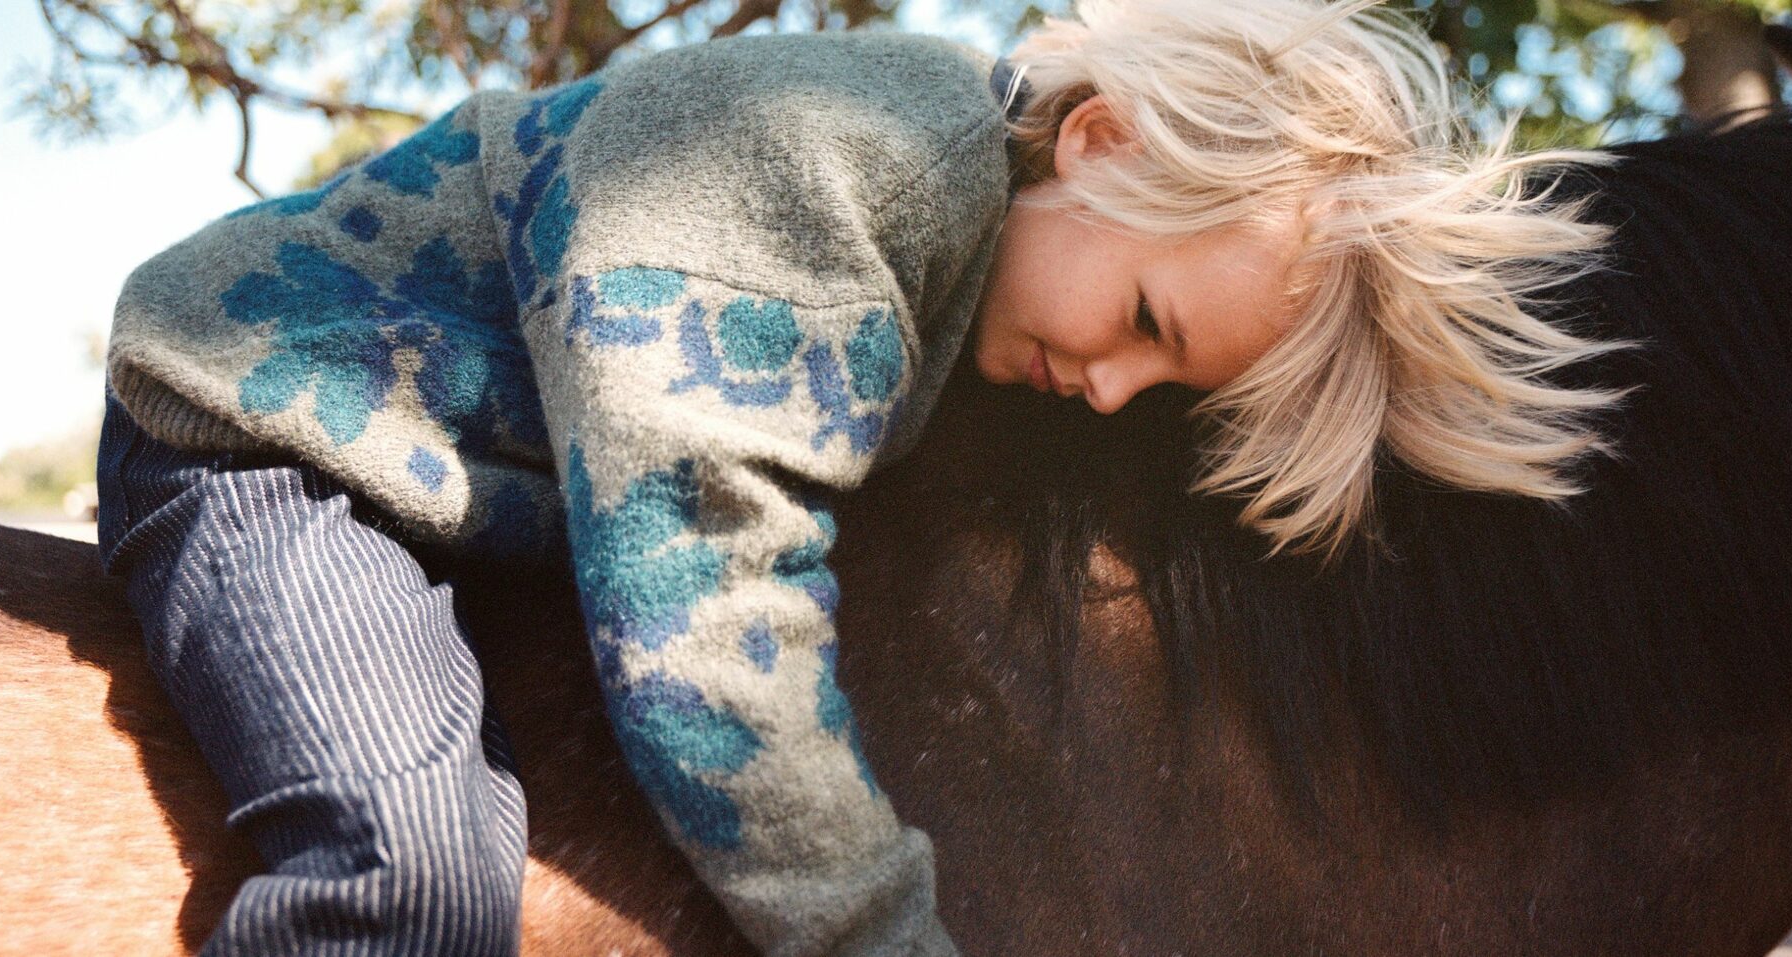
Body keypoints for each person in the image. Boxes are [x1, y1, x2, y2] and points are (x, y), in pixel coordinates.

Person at [95, 0, 1625, 953]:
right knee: (413, 873)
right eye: (1146, 326)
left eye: (1168, 380)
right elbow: (697, 606)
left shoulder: (981, 260)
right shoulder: (843, 164)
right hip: (276, 432)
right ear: (1095, 141)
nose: (1111, 390)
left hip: (475, 480)